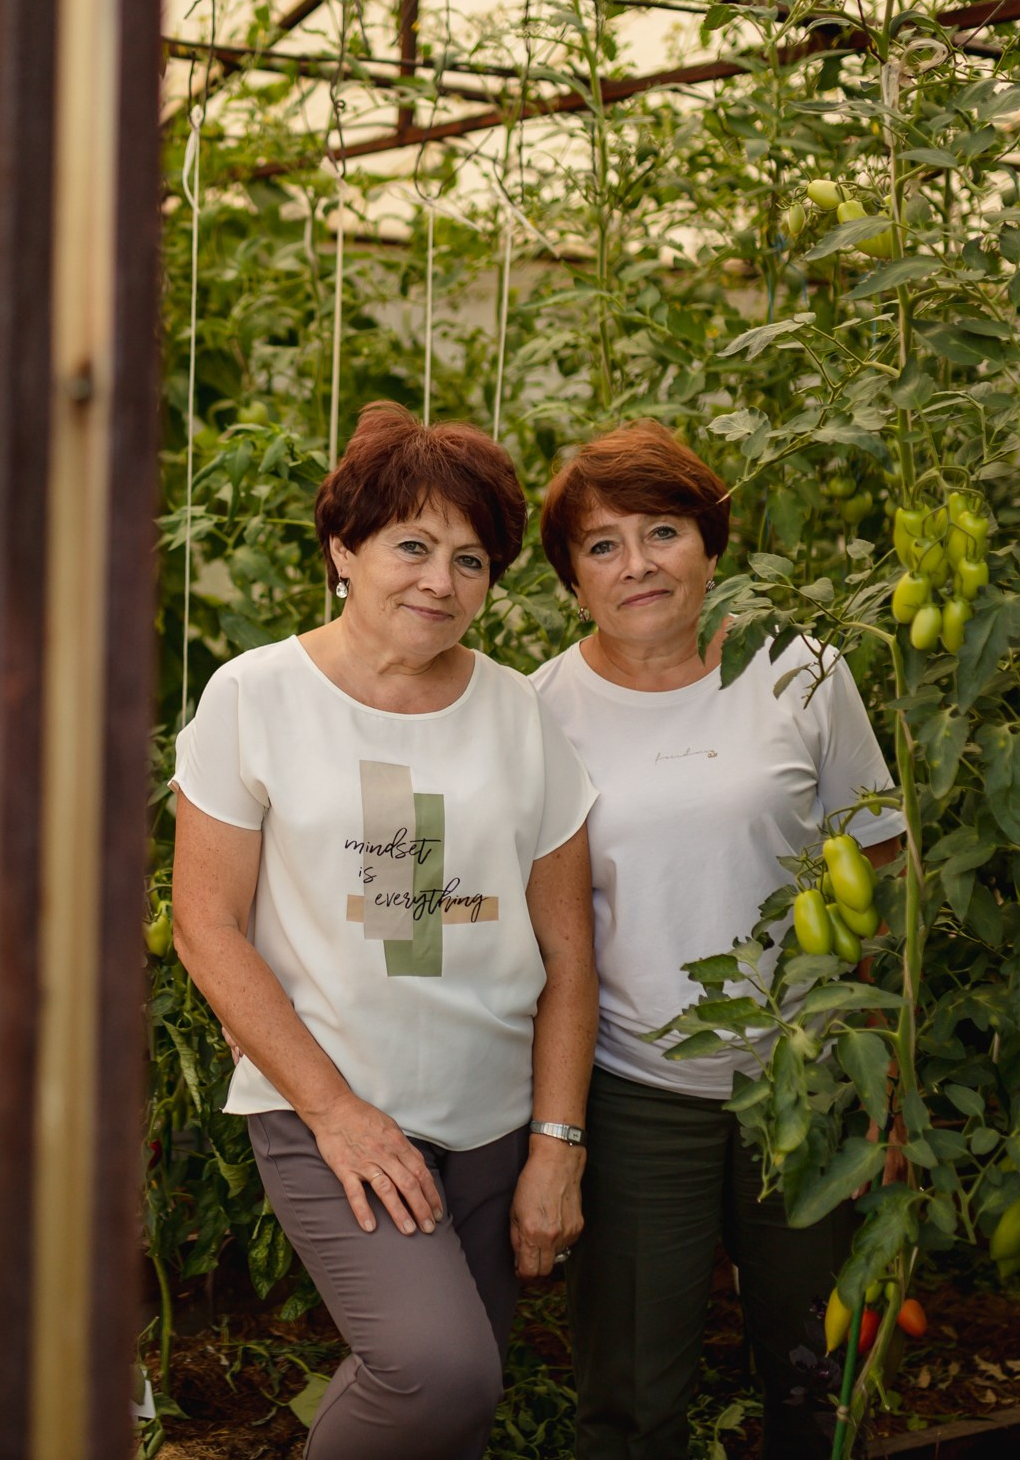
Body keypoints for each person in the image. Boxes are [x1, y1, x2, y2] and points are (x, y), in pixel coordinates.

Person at [170, 401, 599, 1460]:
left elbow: (568, 959)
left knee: (449, 1421)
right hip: (330, 1112)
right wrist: (336, 1113)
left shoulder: (518, 715)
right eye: (410, 546)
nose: (439, 583)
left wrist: (555, 1143)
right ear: (342, 551)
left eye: (470, 560)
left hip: (493, 1122)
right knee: (435, 1373)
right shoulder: (254, 698)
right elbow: (205, 925)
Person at [527, 420, 905, 1460]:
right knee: (633, 1396)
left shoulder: (803, 674)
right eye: (602, 545)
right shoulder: (537, 713)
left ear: (710, 541)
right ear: (570, 578)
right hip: (639, 1083)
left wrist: (879, 1078)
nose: (637, 563)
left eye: (663, 530)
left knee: (813, 1372)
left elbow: (876, 867)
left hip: (811, 1076)